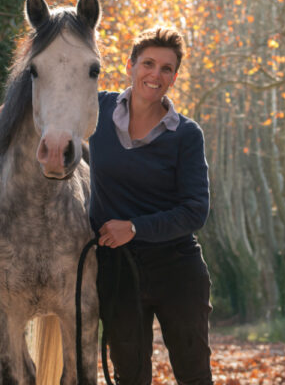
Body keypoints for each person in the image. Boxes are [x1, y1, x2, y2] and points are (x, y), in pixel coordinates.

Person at [90, 27, 213, 385]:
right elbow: (50, 99)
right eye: (148, 63)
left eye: (166, 68)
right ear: (130, 65)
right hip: (117, 272)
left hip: (177, 269)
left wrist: (134, 227)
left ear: (174, 77)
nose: (155, 75)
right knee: (130, 378)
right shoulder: (96, 110)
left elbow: (195, 210)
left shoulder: (186, 135)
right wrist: (11, 111)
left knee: (194, 376)